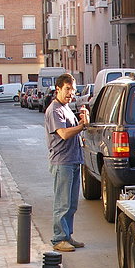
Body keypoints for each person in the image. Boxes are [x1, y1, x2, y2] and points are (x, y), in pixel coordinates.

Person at [45, 73, 89, 252]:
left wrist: (82, 119)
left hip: (73, 160)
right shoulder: (55, 109)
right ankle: (59, 238)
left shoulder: (66, 107)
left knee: (71, 203)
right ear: (58, 89)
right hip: (62, 162)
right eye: (67, 89)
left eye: (73, 89)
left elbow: (72, 130)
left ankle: (67, 235)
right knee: (62, 203)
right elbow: (63, 133)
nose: (71, 93)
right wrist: (82, 126)